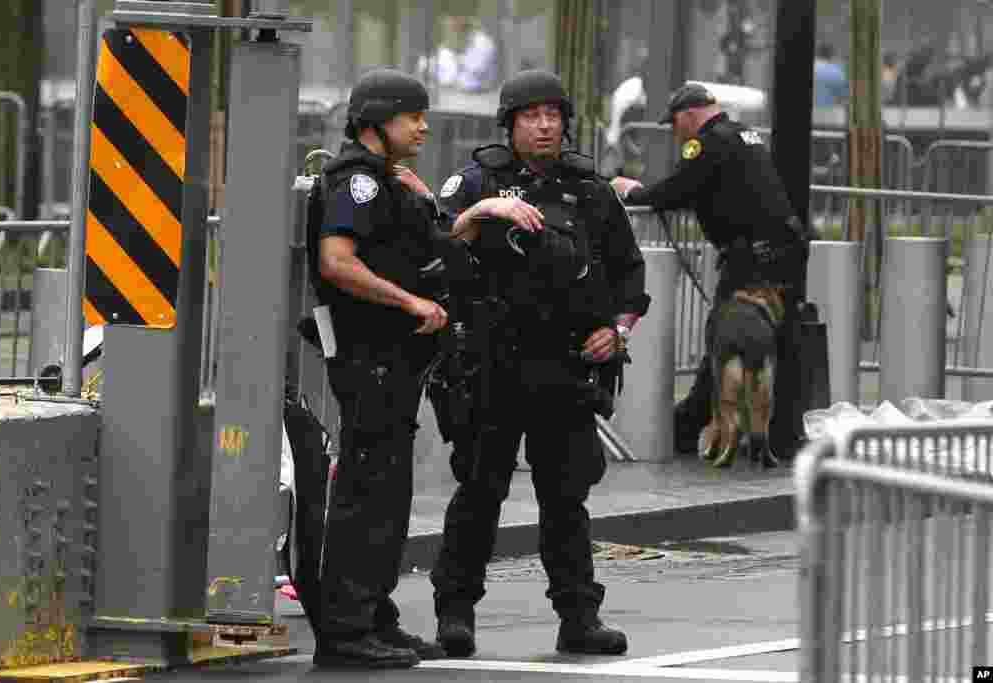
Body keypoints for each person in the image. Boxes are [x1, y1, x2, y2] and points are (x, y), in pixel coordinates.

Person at [427, 69, 650, 657]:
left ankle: (579, 617)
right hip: (491, 364)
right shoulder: (474, 180)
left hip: (565, 366)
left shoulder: (589, 189)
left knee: (566, 498)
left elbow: (630, 276)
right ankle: (455, 613)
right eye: (531, 115)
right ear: (510, 123)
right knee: (479, 491)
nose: (545, 124)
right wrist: (485, 210)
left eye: (553, 114)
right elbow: (435, 249)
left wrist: (616, 332)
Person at [301, 67, 451, 669]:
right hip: (370, 358)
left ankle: (374, 615)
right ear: (375, 124)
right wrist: (411, 302)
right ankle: (345, 627)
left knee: (388, 491)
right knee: (366, 492)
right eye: (411, 116)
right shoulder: (355, 183)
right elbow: (337, 262)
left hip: (395, 361)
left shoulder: (387, 181)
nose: (422, 125)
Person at [610, 83, 811, 462]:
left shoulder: (707, 143)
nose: (675, 132)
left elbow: (677, 190)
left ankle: (687, 427)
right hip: (784, 251)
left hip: (751, 260)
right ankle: (780, 433)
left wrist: (633, 191)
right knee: (773, 340)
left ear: (688, 114)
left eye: (674, 124)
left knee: (724, 340)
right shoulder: (742, 134)